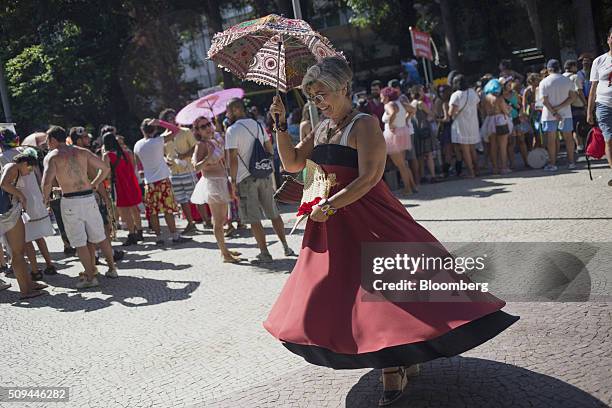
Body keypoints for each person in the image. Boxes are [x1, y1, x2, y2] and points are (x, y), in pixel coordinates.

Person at [266, 56, 519, 406]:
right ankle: (395, 358)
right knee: (338, 294)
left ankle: (393, 364)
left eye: (322, 93)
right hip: (330, 223)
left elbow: (370, 177)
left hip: (370, 219)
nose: (318, 102)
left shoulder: (364, 123)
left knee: (388, 294)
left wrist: (332, 205)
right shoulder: (320, 127)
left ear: (343, 88)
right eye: (312, 96)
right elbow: (293, 163)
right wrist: (279, 125)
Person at [42, 125, 119, 287]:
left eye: (48, 140)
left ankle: (91, 277)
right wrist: (94, 184)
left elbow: (47, 181)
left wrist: (45, 199)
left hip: (70, 200)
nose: (46, 143)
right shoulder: (82, 151)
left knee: (79, 242)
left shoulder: (53, 156)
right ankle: (112, 268)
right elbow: (104, 168)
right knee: (100, 236)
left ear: (54, 140)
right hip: (88, 197)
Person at [225, 98, 294, 263]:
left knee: (254, 218)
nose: (227, 114)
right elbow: (269, 149)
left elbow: (232, 159)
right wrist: (264, 168)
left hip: (244, 178)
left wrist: (233, 181)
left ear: (235, 110)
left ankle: (264, 252)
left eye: (228, 110)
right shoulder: (257, 125)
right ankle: (286, 246)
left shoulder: (232, 131)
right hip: (263, 175)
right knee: (273, 213)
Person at [0, 129, 48, 299]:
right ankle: (25, 290)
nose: (30, 172)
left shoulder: (15, 168)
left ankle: (27, 285)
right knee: (18, 253)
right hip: (8, 214)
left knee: (18, 252)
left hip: (8, 213)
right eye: (30, 167)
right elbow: (4, 184)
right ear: (26, 162)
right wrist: (20, 195)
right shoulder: (12, 166)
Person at [190, 116, 240, 263]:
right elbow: (196, 167)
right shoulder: (201, 145)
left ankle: (225, 250)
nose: (207, 128)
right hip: (212, 184)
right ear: (197, 131)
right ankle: (224, 254)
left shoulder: (214, 140)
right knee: (218, 221)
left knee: (223, 219)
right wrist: (209, 157)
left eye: (208, 124)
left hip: (222, 181)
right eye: (203, 126)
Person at [134, 119, 189, 246]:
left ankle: (158, 237)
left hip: (149, 182)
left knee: (153, 211)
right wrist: (160, 122)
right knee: (167, 210)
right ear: (154, 129)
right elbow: (176, 130)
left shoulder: (137, 145)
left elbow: (138, 164)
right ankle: (175, 236)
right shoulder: (158, 141)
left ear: (142, 130)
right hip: (163, 180)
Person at [13, 147, 57, 279]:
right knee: (38, 237)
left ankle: (35, 270)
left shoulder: (14, 166)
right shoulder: (30, 160)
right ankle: (49, 265)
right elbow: (40, 179)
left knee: (26, 239)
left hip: (24, 203)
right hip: (36, 200)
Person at [158, 108, 198, 235]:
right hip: (174, 172)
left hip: (188, 169)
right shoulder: (162, 137)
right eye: (169, 118)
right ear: (165, 121)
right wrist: (166, 160)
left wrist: (185, 155)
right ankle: (191, 223)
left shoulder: (185, 131)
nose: (172, 120)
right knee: (182, 199)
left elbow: (195, 147)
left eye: (173, 117)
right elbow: (162, 154)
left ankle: (207, 220)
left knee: (197, 196)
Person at [102, 132, 143, 246]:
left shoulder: (107, 156)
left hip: (119, 185)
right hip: (131, 182)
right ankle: (139, 231)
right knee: (134, 208)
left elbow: (106, 173)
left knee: (124, 210)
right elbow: (133, 167)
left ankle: (131, 234)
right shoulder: (127, 153)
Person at [540, 59, 577, 171]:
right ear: (559, 68)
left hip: (549, 115)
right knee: (568, 139)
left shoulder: (544, 82)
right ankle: (571, 162)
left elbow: (544, 101)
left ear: (548, 69)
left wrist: (554, 112)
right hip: (566, 113)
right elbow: (573, 97)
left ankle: (552, 164)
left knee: (551, 141)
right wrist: (560, 107)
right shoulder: (567, 80)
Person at [381, 86, 417, 194]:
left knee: (400, 165)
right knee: (403, 163)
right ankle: (413, 186)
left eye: (382, 97)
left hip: (393, 134)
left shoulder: (389, 105)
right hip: (403, 132)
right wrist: (406, 119)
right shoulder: (400, 102)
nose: (381, 99)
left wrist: (391, 124)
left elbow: (393, 112)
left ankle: (408, 188)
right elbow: (413, 109)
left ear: (387, 97)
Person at [587, 27, 612, 175]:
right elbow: (593, 88)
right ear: (608, 39)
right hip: (604, 105)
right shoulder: (599, 61)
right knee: (609, 139)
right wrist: (589, 112)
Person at [449, 74, 481, 177]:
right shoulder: (472, 92)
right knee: (472, 148)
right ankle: (476, 169)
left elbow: (451, 112)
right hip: (473, 122)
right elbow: (477, 105)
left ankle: (471, 172)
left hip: (461, 124)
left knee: (465, 149)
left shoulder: (456, 95)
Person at [480, 78, 512, 174]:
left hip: (489, 121)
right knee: (503, 146)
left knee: (493, 146)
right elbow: (505, 111)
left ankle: (495, 168)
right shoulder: (499, 98)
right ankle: (504, 167)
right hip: (500, 121)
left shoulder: (484, 98)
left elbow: (483, 112)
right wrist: (509, 109)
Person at [410, 84, 438, 182]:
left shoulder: (412, 103)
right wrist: (431, 102)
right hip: (425, 129)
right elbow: (432, 114)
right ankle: (433, 176)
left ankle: (421, 176)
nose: (424, 93)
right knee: (429, 154)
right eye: (422, 91)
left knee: (420, 155)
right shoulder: (421, 103)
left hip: (417, 131)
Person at [564, 60, 588, 152]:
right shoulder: (575, 77)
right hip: (577, 104)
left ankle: (578, 145)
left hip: (567, 105)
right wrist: (585, 103)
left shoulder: (562, 77)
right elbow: (579, 91)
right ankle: (582, 145)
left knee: (573, 127)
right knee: (580, 126)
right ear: (572, 67)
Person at [433, 85, 454, 177]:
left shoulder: (445, 103)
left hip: (446, 127)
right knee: (446, 149)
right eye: (440, 91)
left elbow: (447, 119)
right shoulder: (441, 101)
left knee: (447, 149)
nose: (441, 93)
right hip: (447, 127)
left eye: (443, 91)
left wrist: (437, 120)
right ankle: (448, 168)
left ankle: (446, 170)